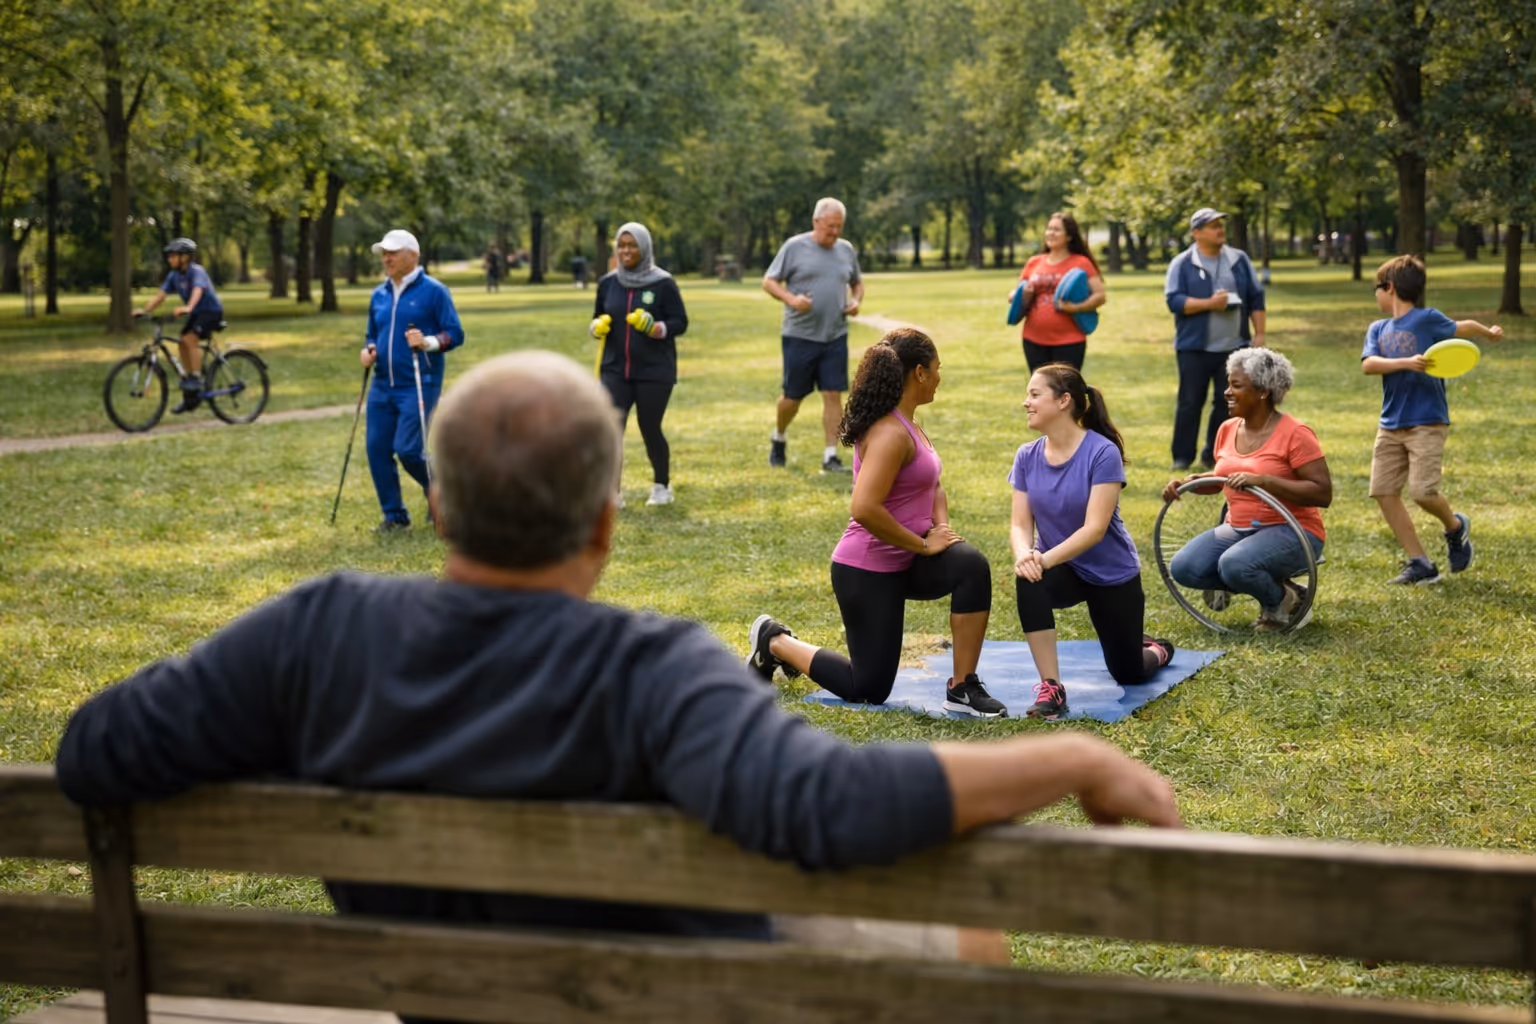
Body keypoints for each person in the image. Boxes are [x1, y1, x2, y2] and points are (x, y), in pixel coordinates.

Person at [54, 350, 1181, 978]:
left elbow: (96, 749)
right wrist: (1073, 757)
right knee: (964, 937)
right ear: (603, 524)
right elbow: (829, 806)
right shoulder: (649, 666)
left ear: (439, 507)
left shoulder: (314, 629)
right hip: (663, 995)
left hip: (438, 993)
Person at [746, 328, 1008, 719]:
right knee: (867, 689)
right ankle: (775, 641)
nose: (940, 377)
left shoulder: (911, 424)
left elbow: (934, 484)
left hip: (908, 559)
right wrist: (923, 545)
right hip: (867, 569)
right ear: (919, 373)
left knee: (970, 565)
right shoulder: (889, 432)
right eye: (937, 369)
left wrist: (942, 532)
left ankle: (962, 686)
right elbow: (864, 507)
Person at [1010, 364, 1176, 720]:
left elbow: (1094, 529)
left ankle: (1157, 649)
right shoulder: (1026, 456)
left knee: (1129, 673)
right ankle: (1051, 686)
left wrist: (1043, 559)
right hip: (1064, 567)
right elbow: (1020, 523)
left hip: (1111, 573)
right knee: (1028, 578)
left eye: (1035, 394)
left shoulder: (1102, 453)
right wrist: (1025, 555)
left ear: (1064, 401)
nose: (1026, 402)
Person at [1163, 348, 1332, 632]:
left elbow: (1322, 493)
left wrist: (1265, 481)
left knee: (1234, 564)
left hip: (1294, 531)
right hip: (1238, 528)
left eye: (1236, 386)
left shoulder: (1295, 433)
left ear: (1263, 392)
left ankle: (1278, 604)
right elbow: (1224, 479)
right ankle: (1283, 590)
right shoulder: (1228, 429)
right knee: (1184, 568)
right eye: (1228, 384)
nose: (1227, 392)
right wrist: (1192, 482)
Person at [1362, 254, 1501, 585]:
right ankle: (1420, 563)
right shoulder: (1377, 328)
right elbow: (1368, 365)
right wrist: (1406, 362)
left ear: (1389, 287)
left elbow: (1463, 327)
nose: (1375, 294)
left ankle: (1455, 527)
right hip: (1390, 423)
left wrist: (1489, 333)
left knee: (1423, 492)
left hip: (1427, 420)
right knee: (1383, 491)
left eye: (1376, 288)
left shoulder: (1427, 319)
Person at [360, 229, 465, 532]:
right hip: (382, 385)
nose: (386, 258)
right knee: (377, 450)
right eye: (384, 253)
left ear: (413, 255)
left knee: (407, 449)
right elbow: (372, 333)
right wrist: (369, 349)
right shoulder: (379, 294)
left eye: (393, 252)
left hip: (419, 382)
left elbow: (455, 333)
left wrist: (428, 342)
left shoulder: (434, 291)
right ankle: (394, 516)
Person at [763, 197, 865, 473]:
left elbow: (857, 283)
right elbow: (769, 281)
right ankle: (779, 436)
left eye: (839, 226)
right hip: (800, 336)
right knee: (792, 398)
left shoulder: (846, 250)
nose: (835, 231)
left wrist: (856, 301)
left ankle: (830, 455)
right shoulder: (794, 247)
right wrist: (792, 300)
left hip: (835, 335)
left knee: (833, 394)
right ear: (816, 222)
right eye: (830, 226)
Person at [590, 223, 688, 508]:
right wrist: (596, 327)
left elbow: (680, 322)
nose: (626, 251)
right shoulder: (608, 283)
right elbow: (598, 316)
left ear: (644, 248)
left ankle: (661, 486)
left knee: (649, 427)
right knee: (612, 429)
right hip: (614, 370)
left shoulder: (663, 283)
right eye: (622, 245)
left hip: (654, 371)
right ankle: (612, 492)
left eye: (632, 245)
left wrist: (656, 328)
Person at [1165, 208, 1267, 471]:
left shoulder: (1239, 259)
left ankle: (1214, 454)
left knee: (1227, 403)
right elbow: (1174, 301)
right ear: (1196, 233)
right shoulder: (1182, 263)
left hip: (1234, 348)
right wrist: (1210, 304)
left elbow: (1256, 297)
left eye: (1221, 225)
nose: (1220, 230)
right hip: (1193, 348)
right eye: (1212, 226)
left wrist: (1259, 334)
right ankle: (1182, 456)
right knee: (1190, 402)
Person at [136, 238, 223, 415]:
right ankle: (190, 396)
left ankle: (196, 377)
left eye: (173, 256)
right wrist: (145, 311)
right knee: (182, 342)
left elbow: (198, 290)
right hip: (197, 314)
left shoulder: (197, 271)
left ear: (185, 257)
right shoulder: (174, 276)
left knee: (190, 339)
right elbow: (160, 296)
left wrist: (188, 307)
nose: (170, 259)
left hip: (211, 312)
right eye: (169, 256)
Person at [1013, 213, 1106, 372]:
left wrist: (1075, 308)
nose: (1051, 233)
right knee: (1040, 386)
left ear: (1069, 236)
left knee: (1065, 387)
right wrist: (1019, 296)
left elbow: (1100, 296)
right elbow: (1019, 294)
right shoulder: (1034, 262)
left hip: (1069, 340)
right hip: (1033, 338)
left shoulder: (1081, 262)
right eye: (1049, 229)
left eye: (1057, 230)